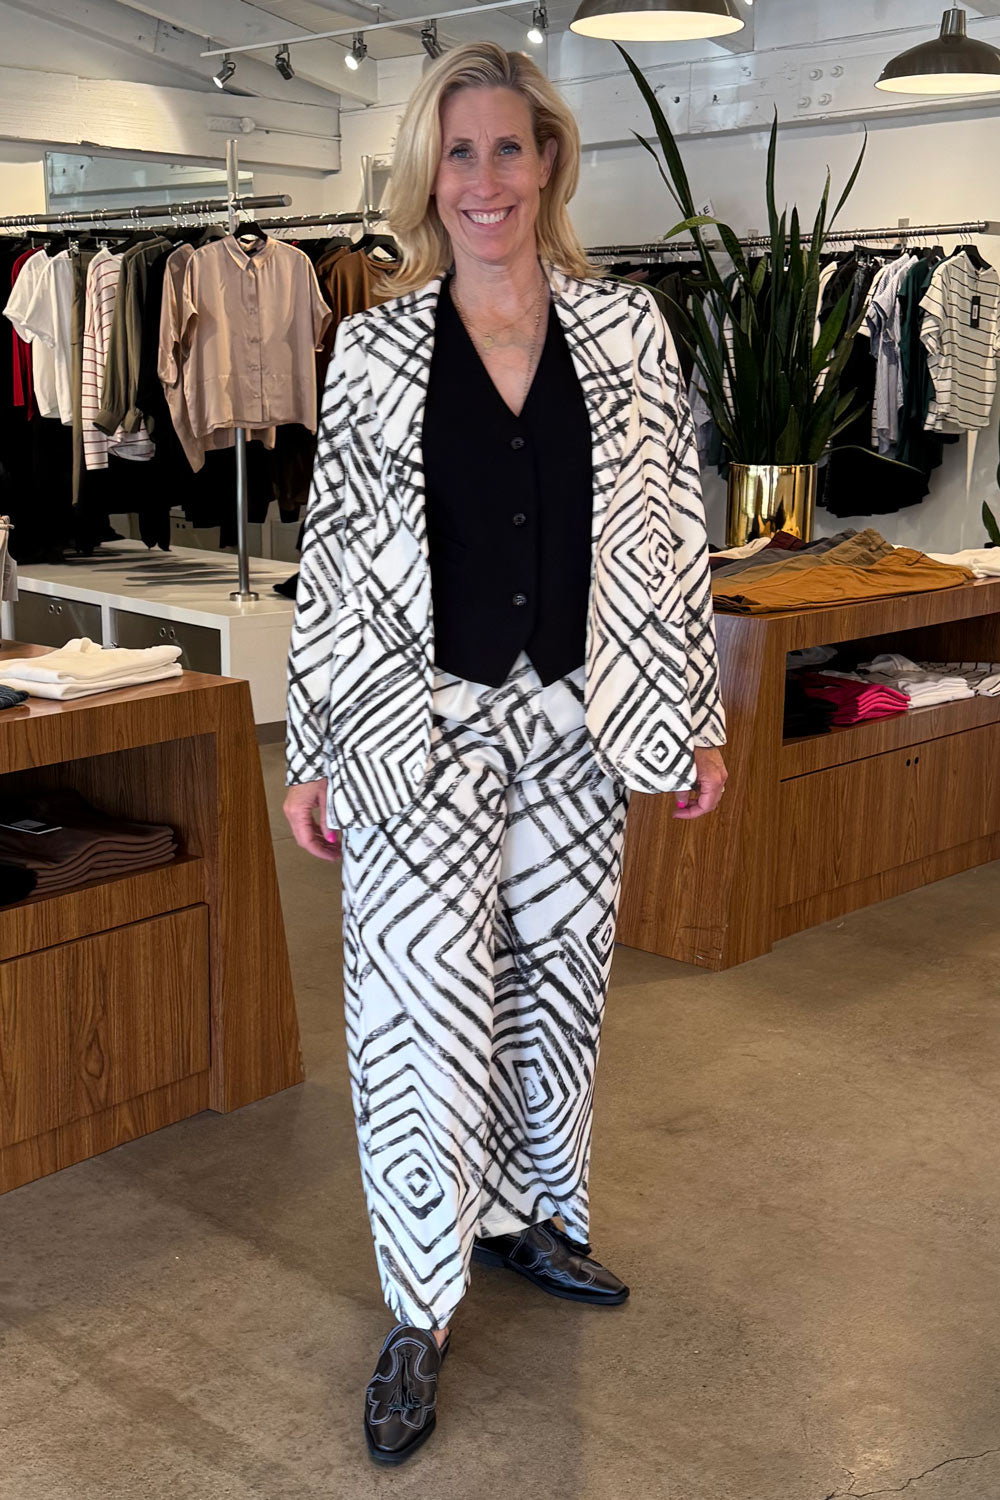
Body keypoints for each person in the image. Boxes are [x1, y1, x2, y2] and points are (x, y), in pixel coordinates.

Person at [283, 39, 728, 1466]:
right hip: (417, 728)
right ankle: (419, 1310)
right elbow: (333, 562)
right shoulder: (374, 350)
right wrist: (312, 749)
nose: (485, 180)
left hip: (581, 725)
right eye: (459, 153)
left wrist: (696, 716)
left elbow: (673, 533)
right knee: (418, 1014)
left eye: (508, 149)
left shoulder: (628, 332)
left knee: (555, 992)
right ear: (432, 177)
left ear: (548, 165)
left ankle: (529, 1217)